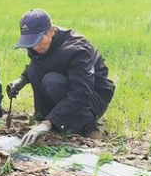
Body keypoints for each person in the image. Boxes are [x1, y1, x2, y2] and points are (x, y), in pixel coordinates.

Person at [7, 9, 115, 146]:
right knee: (34, 70)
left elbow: (82, 92)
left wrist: (48, 123)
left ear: (51, 31)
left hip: (94, 96)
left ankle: (87, 125)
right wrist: (21, 80)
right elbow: (36, 64)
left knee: (51, 81)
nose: (34, 46)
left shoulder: (76, 48)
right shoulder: (37, 46)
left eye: (38, 40)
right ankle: (45, 120)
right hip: (67, 86)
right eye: (30, 42)